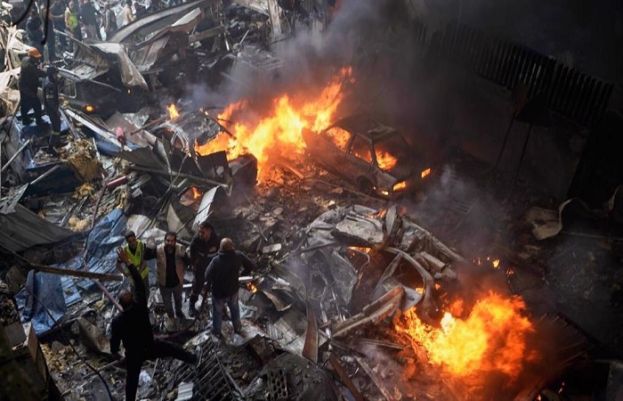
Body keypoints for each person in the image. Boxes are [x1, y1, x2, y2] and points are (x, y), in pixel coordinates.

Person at [111, 252, 197, 401]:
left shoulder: (117, 321)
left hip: (134, 354)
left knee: (131, 382)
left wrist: (117, 354)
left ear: (121, 305)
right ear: (133, 299)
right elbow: (139, 283)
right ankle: (193, 359)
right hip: (150, 346)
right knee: (173, 349)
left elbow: (114, 343)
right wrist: (128, 262)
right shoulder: (140, 307)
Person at [204, 238, 256, 337]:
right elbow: (251, 265)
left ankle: (216, 332)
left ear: (220, 248)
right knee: (235, 310)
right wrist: (243, 274)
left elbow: (207, 275)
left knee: (217, 313)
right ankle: (238, 328)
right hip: (233, 291)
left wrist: (213, 280)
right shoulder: (238, 256)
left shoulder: (216, 260)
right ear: (232, 246)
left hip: (218, 293)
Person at [154, 232, 189, 321]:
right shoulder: (158, 249)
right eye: (168, 240)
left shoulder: (180, 249)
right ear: (164, 240)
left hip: (177, 283)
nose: (170, 243)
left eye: (172, 241)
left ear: (175, 242)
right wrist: (150, 246)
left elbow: (188, 262)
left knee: (178, 300)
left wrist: (184, 256)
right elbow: (147, 256)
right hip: (164, 284)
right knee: (167, 304)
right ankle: (171, 316)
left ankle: (179, 312)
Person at [188, 221, 220, 316]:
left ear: (209, 231)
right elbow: (192, 255)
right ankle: (191, 305)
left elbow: (220, 253)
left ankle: (219, 307)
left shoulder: (216, 240)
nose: (200, 234)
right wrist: (194, 265)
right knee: (197, 286)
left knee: (216, 285)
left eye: (203, 232)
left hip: (212, 266)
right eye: (199, 232)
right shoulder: (196, 240)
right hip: (200, 267)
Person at [116, 230, 150, 296]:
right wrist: (126, 274)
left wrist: (138, 273)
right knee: (135, 294)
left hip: (143, 274)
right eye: (130, 241)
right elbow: (118, 265)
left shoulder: (142, 245)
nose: (133, 243)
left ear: (136, 238)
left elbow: (144, 261)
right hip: (132, 278)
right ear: (127, 242)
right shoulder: (124, 250)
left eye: (134, 240)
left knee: (146, 292)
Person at [18, 48, 46, 127]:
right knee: (37, 104)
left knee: (24, 103)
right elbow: (39, 73)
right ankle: (39, 121)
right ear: (32, 57)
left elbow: (36, 66)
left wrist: (39, 64)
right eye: (37, 58)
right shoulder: (29, 66)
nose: (38, 59)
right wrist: (47, 73)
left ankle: (25, 119)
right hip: (27, 88)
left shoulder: (25, 59)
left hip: (22, 85)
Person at [43, 66, 61, 151]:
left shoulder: (49, 81)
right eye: (55, 74)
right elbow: (50, 101)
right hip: (52, 110)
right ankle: (50, 147)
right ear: (51, 74)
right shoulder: (50, 85)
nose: (56, 76)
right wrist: (56, 111)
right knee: (55, 128)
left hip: (52, 109)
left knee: (58, 125)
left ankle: (57, 142)